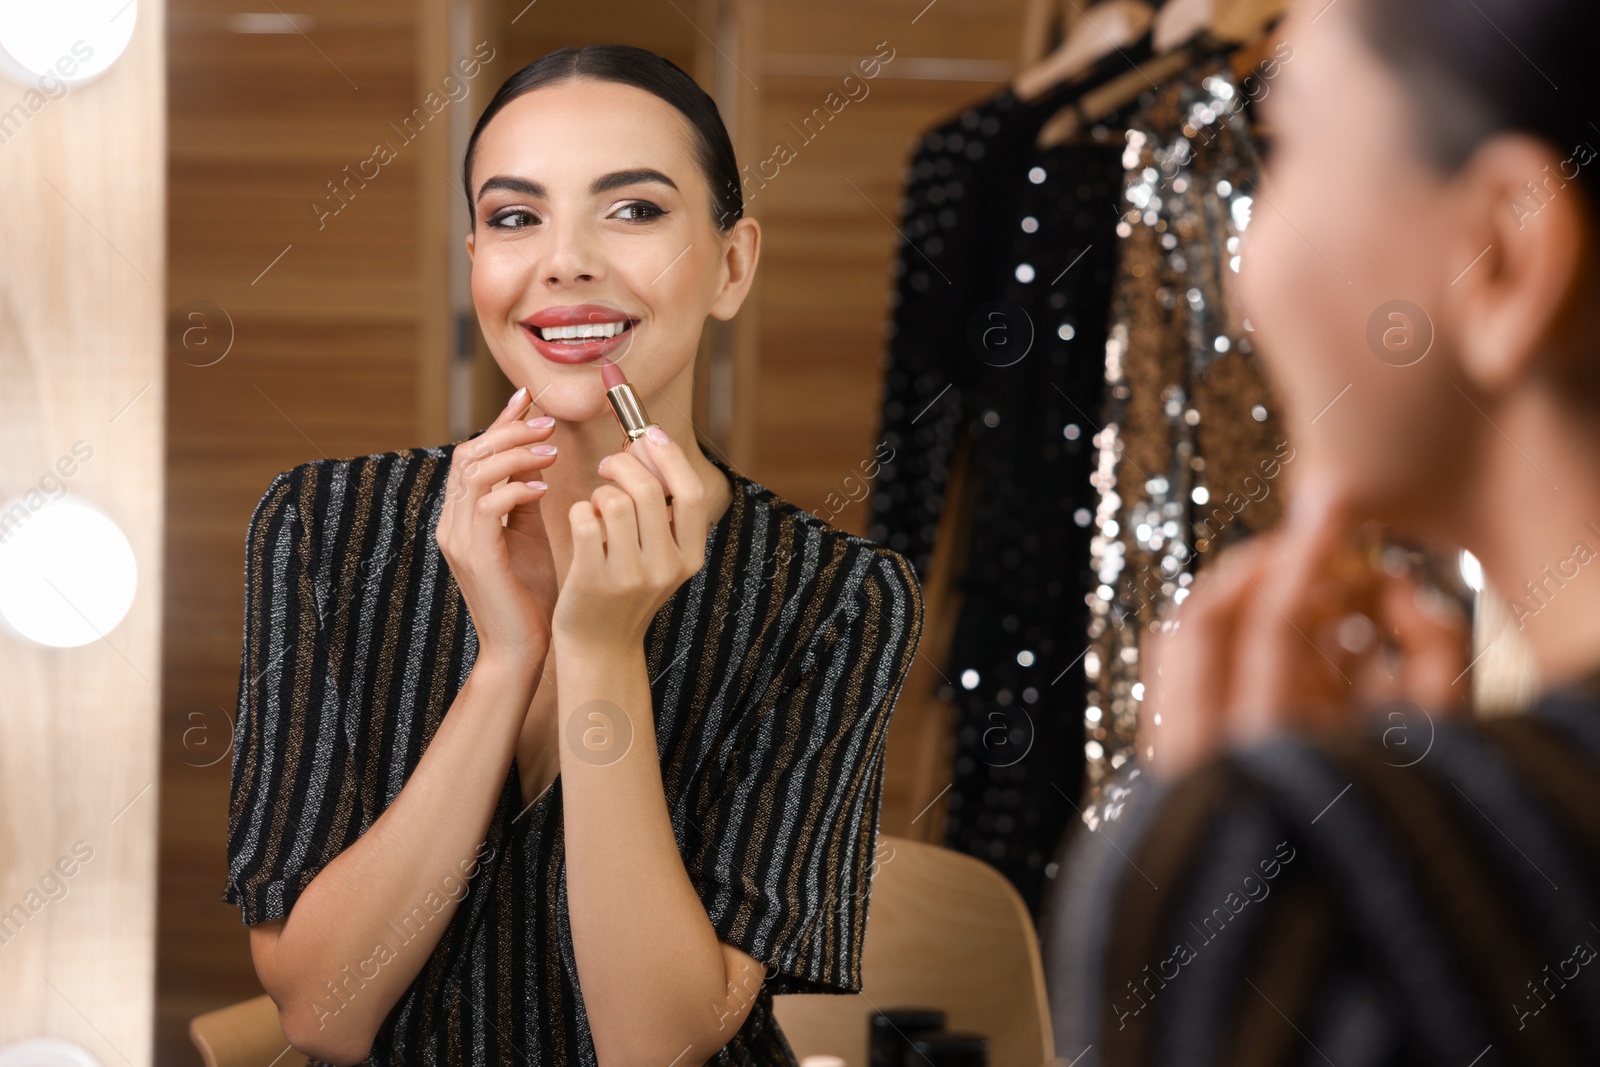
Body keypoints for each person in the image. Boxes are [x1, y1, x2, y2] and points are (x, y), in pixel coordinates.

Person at [221, 45, 924, 1067]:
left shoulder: (836, 597)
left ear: (731, 265)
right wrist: (504, 661)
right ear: (476, 263)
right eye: (515, 217)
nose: (565, 261)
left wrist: (598, 650)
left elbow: (655, 1044)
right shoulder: (325, 527)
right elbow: (323, 1013)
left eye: (633, 209)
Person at [1043, 0, 1600, 1064]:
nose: (1242, 282)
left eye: (1283, 149)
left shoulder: (1312, 878)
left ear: (1501, 258)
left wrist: (1240, 876)